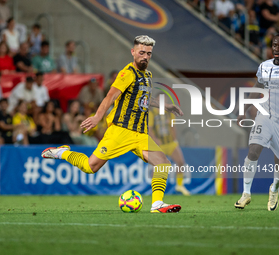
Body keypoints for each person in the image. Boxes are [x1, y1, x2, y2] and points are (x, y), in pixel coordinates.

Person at [42, 35, 183, 213]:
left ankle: (157, 204)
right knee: (90, 167)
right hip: (120, 132)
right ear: (133, 52)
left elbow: (144, 99)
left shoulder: (147, 75)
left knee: (163, 163)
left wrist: (165, 105)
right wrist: (97, 117)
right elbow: (110, 96)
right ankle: (63, 153)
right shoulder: (127, 74)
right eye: (141, 52)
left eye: (148, 53)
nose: (145, 56)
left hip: (139, 134)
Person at [235, 33, 279, 211]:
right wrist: (244, 108)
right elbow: (258, 88)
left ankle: (274, 189)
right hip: (266, 116)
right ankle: (246, 193)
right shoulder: (265, 66)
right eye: (274, 46)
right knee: (254, 150)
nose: (277, 49)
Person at [149, 106, 191, 196]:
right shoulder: (152, 113)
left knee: (180, 162)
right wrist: (155, 139)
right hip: (160, 145)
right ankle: (154, 189)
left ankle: (180, 185)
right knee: (157, 167)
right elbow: (150, 128)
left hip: (170, 143)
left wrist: (175, 139)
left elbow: (173, 127)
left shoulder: (169, 113)